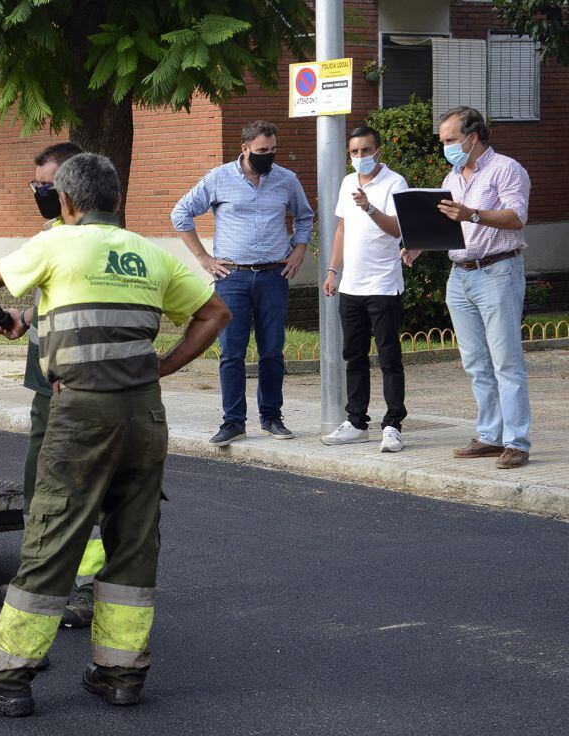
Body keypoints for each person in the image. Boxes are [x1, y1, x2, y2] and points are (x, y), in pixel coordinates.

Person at [0, 153, 231, 717]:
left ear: (67, 202)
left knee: (52, 536)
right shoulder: (151, 254)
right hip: (143, 414)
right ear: (116, 199)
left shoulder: (58, 242)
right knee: (133, 542)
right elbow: (214, 314)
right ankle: (119, 674)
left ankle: (7, 678)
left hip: (81, 412)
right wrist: (161, 367)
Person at [0, 142, 104, 629]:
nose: (40, 193)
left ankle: (79, 588)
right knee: (39, 482)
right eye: (35, 185)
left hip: (77, 387)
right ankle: (43, 579)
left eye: (47, 186)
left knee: (71, 487)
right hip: (48, 382)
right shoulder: (55, 234)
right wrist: (24, 319)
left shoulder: (88, 242)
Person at [171, 120, 314, 447]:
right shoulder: (218, 178)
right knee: (231, 353)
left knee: (272, 352)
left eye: (273, 150)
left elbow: (305, 216)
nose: (270, 156)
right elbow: (181, 214)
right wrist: (204, 259)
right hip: (232, 277)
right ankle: (233, 421)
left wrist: (299, 251)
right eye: (263, 151)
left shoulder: (286, 180)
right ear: (245, 149)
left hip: (273, 276)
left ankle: (272, 417)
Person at [435, 106, 532, 469]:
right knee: (475, 362)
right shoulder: (452, 177)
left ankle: (517, 442)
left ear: (472, 137)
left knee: (506, 362)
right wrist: (416, 243)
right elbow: (446, 224)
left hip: (497, 271)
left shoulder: (506, 169)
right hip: (460, 275)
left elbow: (517, 215)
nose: (445, 147)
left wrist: (472, 214)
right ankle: (490, 436)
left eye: (450, 140)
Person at [321, 126, 417, 452]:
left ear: (378, 151)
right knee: (354, 357)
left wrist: (370, 208)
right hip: (352, 285)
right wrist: (333, 270)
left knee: (389, 356)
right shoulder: (348, 183)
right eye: (354, 152)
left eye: (366, 151)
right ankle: (356, 421)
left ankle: (392, 425)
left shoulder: (395, 183)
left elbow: (397, 230)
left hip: (384, 285)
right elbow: (341, 229)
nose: (360, 157)